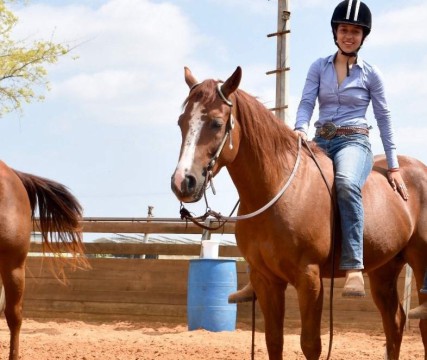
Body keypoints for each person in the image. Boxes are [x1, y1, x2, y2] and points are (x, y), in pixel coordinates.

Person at [228, 0, 409, 303]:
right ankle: (256, 271)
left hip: (354, 142)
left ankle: (352, 265)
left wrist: (393, 166)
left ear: (363, 36)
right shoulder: (318, 67)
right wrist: (299, 128)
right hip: (320, 140)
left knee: (347, 184)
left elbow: (384, 119)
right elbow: (306, 102)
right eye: (343, 30)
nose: (348, 35)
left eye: (354, 31)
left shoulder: (371, 75)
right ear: (335, 33)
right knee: (272, 183)